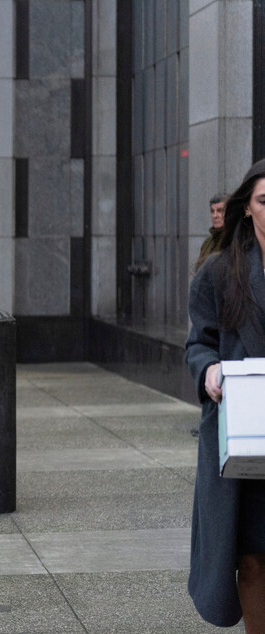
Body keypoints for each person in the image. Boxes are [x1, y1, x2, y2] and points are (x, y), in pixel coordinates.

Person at [185, 158, 265, 630]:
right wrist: (209, 370)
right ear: (248, 208)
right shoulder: (220, 272)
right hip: (246, 436)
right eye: (263, 201)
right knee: (253, 555)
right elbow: (198, 343)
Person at [195, 192, 230, 272]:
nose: (215, 215)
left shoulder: (235, 240)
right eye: (212, 211)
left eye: (220, 211)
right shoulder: (207, 243)